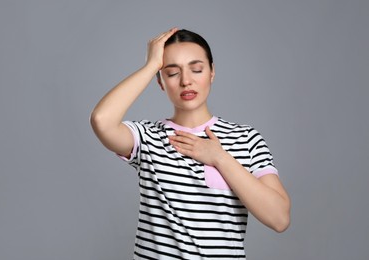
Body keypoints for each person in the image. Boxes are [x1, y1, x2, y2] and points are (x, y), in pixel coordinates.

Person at [90, 27, 291, 259]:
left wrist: (220, 158)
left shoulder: (246, 139)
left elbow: (279, 218)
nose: (186, 81)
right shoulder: (147, 137)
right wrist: (150, 66)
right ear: (160, 81)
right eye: (172, 73)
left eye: (196, 69)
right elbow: (101, 120)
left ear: (212, 72)